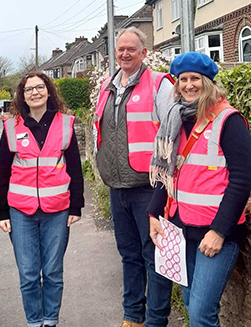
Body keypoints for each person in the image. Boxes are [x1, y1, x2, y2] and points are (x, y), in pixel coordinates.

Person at [147, 52, 251, 327]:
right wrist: (153, 215)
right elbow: (167, 172)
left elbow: (242, 181)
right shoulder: (176, 118)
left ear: (208, 83)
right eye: (183, 79)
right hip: (180, 228)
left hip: (215, 233)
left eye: (195, 78)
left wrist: (218, 232)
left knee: (201, 314)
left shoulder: (228, 120)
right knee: (191, 302)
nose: (188, 85)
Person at [92, 27, 176, 327]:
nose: (125, 54)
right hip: (118, 187)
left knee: (154, 257)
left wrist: (164, 188)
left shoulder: (159, 84)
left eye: (131, 49)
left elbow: (173, 135)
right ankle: (133, 316)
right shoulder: (107, 87)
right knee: (128, 255)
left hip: (149, 189)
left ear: (143, 52)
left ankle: (155, 320)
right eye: (120, 49)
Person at [0, 72, 84, 327]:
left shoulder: (65, 124)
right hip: (21, 212)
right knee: (29, 273)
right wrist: (2, 212)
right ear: (22, 96)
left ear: (48, 91)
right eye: (29, 89)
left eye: (40, 87)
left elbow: (75, 168)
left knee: (53, 272)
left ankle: (50, 321)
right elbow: (2, 172)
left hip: (58, 210)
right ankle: (35, 321)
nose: (35, 92)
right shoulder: (11, 127)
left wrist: (76, 205)